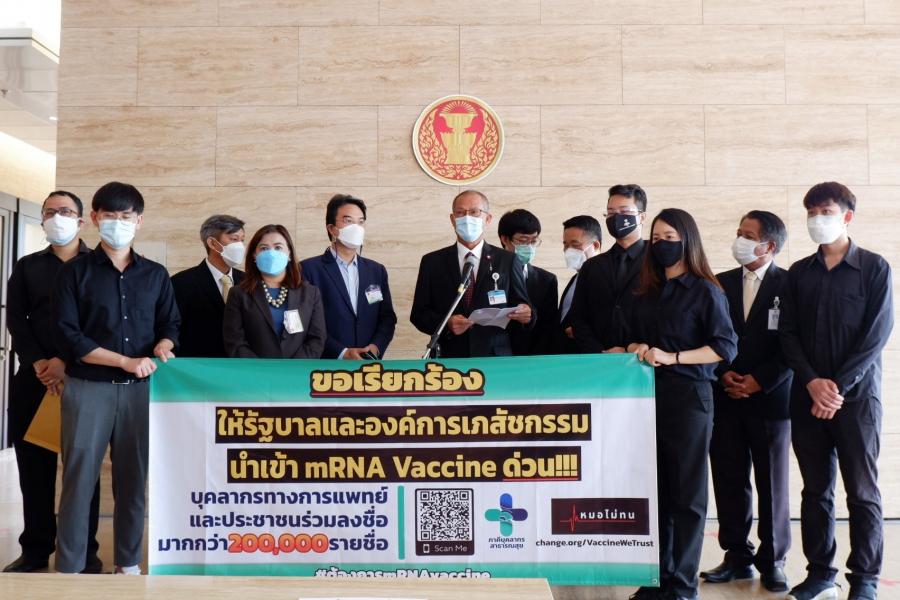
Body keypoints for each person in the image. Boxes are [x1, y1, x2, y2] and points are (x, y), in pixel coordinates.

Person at [54, 182, 181, 575]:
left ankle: (127, 564)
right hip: (87, 389)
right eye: (110, 216)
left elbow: (170, 324)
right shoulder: (74, 272)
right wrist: (125, 361)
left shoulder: (156, 274)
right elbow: (70, 336)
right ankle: (70, 566)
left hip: (141, 393)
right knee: (78, 481)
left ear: (139, 221)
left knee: (133, 482)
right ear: (94, 218)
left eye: (126, 217)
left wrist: (164, 344)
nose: (118, 223)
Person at [780, 183, 893, 600]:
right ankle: (820, 574)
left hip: (858, 402)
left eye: (824, 211)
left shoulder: (875, 268)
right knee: (816, 491)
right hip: (806, 397)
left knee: (862, 492)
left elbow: (876, 336)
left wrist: (837, 387)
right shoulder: (798, 273)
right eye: (811, 211)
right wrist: (813, 383)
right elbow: (787, 334)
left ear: (846, 216)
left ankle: (864, 580)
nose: (816, 219)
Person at [626, 208, 738, 600]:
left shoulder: (706, 290)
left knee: (687, 496)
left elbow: (724, 347)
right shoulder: (646, 291)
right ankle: (657, 577)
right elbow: (629, 337)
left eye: (669, 237)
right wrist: (636, 346)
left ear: (687, 240)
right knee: (656, 493)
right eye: (656, 238)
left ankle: (684, 584)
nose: (661, 245)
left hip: (689, 398)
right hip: (647, 398)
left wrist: (673, 357)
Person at [4, 191, 102, 574]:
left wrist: (66, 361)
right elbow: (17, 319)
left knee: (84, 470)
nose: (56, 217)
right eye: (50, 211)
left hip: (84, 378)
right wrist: (41, 363)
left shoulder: (99, 266)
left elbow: (100, 322)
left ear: (81, 220)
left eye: (65, 211)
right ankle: (35, 549)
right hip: (35, 379)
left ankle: (84, 549)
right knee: (34, 470)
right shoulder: (28, 266)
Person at [700, 211, 792, 592]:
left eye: (748, 235)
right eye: (739, 232)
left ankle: (774, 560)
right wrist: (724, 373)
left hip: (771, 399)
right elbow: (708, 334)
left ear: (769, 245)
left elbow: (794, 344)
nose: (739, 239)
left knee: (772, 483)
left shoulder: (789, 285)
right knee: (729, 478)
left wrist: (759, 381)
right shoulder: (719, 283)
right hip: (726, 396)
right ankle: (737, 555)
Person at [410, 189, 533, 358]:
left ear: (488, 219)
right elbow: (419, 314)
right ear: (452, 219)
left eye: (475, 212)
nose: (467, 218)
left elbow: (524, 305)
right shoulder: (432, 262)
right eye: (460, 213)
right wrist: (447, 323)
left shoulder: (508, 260)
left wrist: (527, 314)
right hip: (450, 357)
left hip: (494, 356)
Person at [300, 194, 396, 359]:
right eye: (348, 221)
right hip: (326, 364)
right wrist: (342, 352)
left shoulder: (376, 270)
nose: (356, 228)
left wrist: (376, 347)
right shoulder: (308, 269)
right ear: (331, 228)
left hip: (368, 363)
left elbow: (387, 318)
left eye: (360, 222)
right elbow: (306, 322)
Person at [223, 224, 326, 359]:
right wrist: (262, 369)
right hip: (254, 370)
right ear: (254, 255)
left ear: (289, 254)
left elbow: (316, 339)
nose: (271, 253)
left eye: (278, 247)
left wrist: (292, 367)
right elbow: (235, 342)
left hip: (297, 370)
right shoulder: (238, 294)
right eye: (264, 248)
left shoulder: (310, 293)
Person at [571, 184, 648, 354]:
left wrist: (635, 348)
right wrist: (600, 352)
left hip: (646, 357)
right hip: (600, 359)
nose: (616, 218)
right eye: (611, 213)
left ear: (642, 217)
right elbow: (578, 317)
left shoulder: (656, 260)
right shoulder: (592, 266)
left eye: (624, 211)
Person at [171, 215, 246, 357]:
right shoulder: (180, 283)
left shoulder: (248, 282)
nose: (240, 246)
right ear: (212, 243)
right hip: (199, 364)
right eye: (234, 239)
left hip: (242, 364)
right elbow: (173, 328)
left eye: (242, 240)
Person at [497, 208, 558, 356]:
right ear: (504, 239)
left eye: (534, 241)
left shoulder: (547, 280)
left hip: (532, 356)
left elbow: (548, 327)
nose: (529, 247)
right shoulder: (488, 274)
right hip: (494, 354)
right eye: (523, 241)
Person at [557, 215, 602, 354]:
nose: (568, 250)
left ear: (595, 245)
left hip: (592, 355)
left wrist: (580, 331)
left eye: (575, 245)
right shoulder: (575, 279)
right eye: (565, 245)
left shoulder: (605, 278)